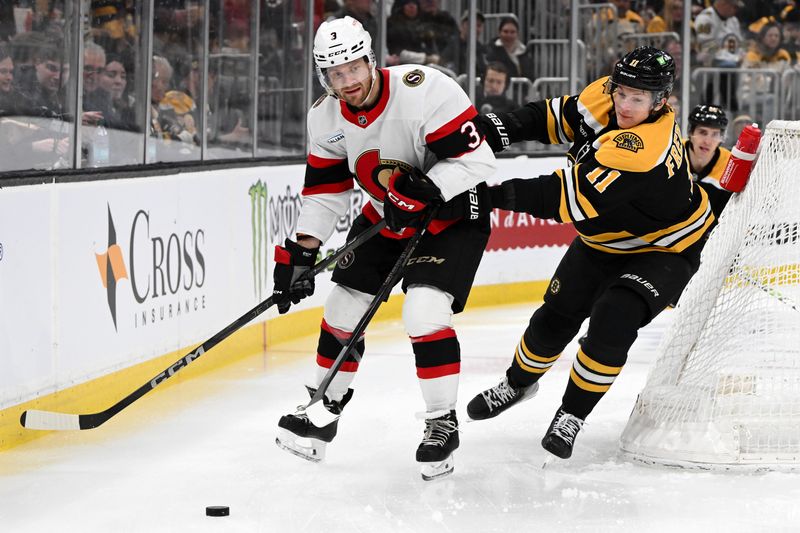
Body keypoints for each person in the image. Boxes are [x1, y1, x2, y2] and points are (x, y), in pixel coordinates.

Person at [273, 16, 496, 480]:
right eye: (335, 74)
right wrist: (303, 250)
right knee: (341, 310)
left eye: (354, 67)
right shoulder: (326, 117)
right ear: (323, 76)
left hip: (451, 216)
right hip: (386, 215)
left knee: (423, 313)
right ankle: (322, 410)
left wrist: (424, 191)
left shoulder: (425, 89)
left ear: (371, 60)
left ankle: (441, 424)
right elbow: (326, 190)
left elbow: (477, 159)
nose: (348, 81)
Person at [466, 46, 715, 459]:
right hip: (602, 241)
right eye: (622, 93)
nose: (625, 104)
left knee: (613, 317)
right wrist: (498, 127)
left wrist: (484, 195)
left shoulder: (643, 145)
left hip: (666, 247)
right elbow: (555, 117)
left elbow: (566, 197)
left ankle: (572, 414)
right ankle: (518, 383)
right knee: (554, 318)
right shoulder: (608, 93)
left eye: (638, 99)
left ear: (661, 101)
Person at [685, 104, 733, 219]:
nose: (707, 141)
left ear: (721, 138)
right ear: (691, 132)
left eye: (715, 134)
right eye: (702, 132)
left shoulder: (730, 164)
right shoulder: (672, 151)